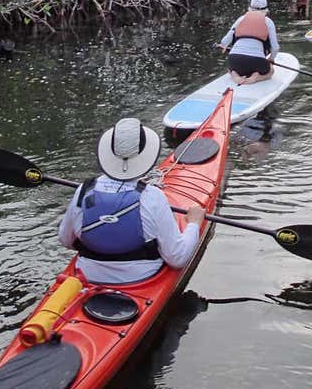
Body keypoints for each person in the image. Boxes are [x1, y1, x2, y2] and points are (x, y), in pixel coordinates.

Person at [58, 118, 206, 284]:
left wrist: (102, 243)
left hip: (86, 276)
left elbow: (65, 240)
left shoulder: (83, 191)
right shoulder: (153, 197)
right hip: (141, 279)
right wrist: (194, 223)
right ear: (146, 155)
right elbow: (177, 259)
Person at [217, 0, 280, 85]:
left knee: (230, 67)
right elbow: (275, 47)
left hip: (234, 60)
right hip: (257, 62)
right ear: (266, 10)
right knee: (271, 71)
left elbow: (224, 41)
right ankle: (256, 77)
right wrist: (271, 59)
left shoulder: (241, 19)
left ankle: (234, 74)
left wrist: (223, 46)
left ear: (249, 8)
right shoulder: (268, 22)